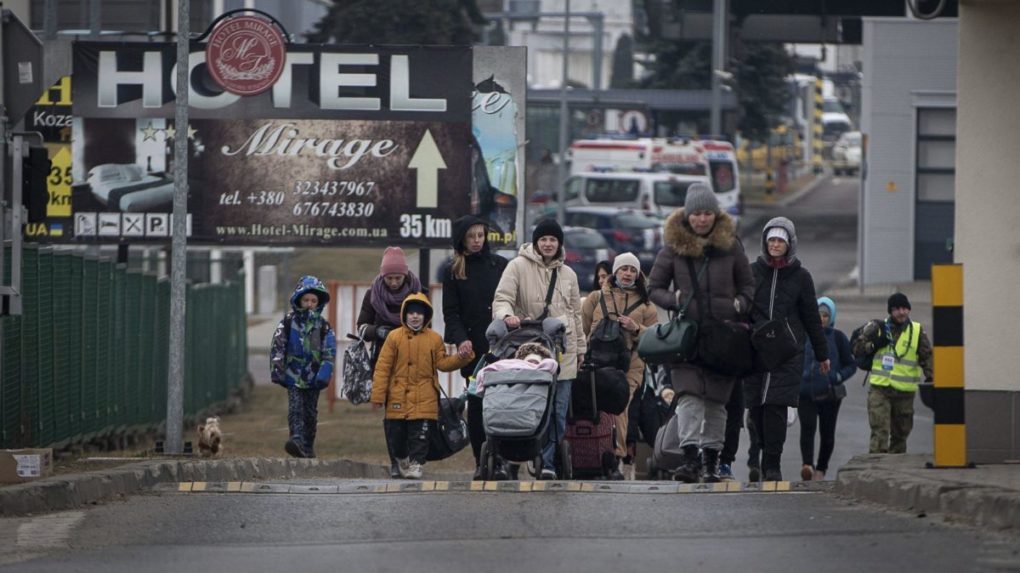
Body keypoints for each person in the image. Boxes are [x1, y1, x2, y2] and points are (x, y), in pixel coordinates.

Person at [647, 183, 755, 483]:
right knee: (690, 400)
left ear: (715, 214)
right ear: (687, 214)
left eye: (707, 213)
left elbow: (748, 286)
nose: (702, 219)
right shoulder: (673, 247)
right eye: (696, 213)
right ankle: (690, 460)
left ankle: (711, 463)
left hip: (724, 338)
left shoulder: (731, 246)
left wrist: (739, 304)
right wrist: (676, 300)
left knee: (716, 404)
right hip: (688, 338)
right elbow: (653, 287)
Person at [493, 218, 586, 480]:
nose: (548, 244)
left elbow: (576, 315)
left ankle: (548, 462)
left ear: (559, 244)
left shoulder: (569, 275)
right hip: (528, 350)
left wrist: (580, 349)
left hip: (562, 352)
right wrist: (507, 315)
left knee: (557, 411)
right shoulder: (517, 267)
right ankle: (517, 454)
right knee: (525, 406)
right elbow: (502, 299)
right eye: (543, 239)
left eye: (552, 240)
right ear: (536, 242)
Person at [745, 218, 830, 482]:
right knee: (756, 407)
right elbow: (742, 307)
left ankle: (773, 464)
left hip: (787, 351)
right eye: (771, 240)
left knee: (776, 407)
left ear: (789, 243)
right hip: (756, 349)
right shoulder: (752, 271)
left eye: (780, 240)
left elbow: (811, 318)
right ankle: (758, 452)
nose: (775, 245)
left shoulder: (801, 277)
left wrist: (822, 352)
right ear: (765, 242)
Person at [369, 293, 474, 479]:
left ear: (426, 316)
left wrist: (462, 358)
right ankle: (401, 459)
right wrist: (378, 395)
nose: (415, 317)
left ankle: (416, 464)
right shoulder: (394, 338)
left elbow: (443, 364)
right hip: (397, 396)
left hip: (425, 397)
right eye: (411, 313)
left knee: (421, 435)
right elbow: (383, 368)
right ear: (405, 315)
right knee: (397, 435)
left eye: (419, 313)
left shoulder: (434, 339)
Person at [580, 252, 659, 480]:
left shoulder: (647, 306)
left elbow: (654, 342)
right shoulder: (596, 298)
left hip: (630, 365)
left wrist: (636, 328)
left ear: (638, 275)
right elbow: (583, 329)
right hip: (596, 361)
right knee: (592, 407)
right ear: (616, 272)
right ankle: (590, 455)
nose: (627, 273)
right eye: (624, 269)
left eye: (633, 270)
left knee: (619, 407)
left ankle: (616, 457)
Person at [441, 215, 508, 479]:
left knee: (502, 403)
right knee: (477, 405)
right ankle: (482, 461)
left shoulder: (500, 265)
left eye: (481, 235)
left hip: (500, 347)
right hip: (473, 351)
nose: (477, 241)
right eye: (472, 237)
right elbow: (451, 313)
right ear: (462, 240)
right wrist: (460, 340)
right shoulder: (454, 271)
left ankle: (502, 460)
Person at [357, 246, 424, 478]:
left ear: (405, 275)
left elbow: (427, 323)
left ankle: (413, 459)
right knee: (393, 416)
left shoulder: (417, 293)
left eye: (398, 277)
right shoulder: (372, 295)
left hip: (414, 361)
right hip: (384, 362)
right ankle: (396, 461)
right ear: (382, 276)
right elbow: (361, 328)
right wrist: (379, 331)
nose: (394, 282)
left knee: (415, 414)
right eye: (389, 278)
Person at [270, 276, 337, 459]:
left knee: (310, 413)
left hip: (313, 378)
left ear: (319, 303)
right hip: (293, 376)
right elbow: (278, 346)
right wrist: (278, 369)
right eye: (306, 300)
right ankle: (296, 438)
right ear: (299, 300)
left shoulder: (323, 326)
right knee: (295, 408)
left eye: (313, 301)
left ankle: (308, 445)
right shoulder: (288, 322)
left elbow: (329, 352)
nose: (309, 304)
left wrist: (324, 373)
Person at [857, 293, 933, 454]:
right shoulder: (877, 327)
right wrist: (874, 344)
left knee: (900, 438)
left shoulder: (917, 331)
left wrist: (932, 376)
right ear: (890, 311)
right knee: (880, 433)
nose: (902, 312)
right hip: (880, 389)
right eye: (897, 309)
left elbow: (927, 357)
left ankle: (894, 471)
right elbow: (857, 348)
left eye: (905, 308)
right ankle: (876, 471)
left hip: (905, 393)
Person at [798, 297, 856, 481]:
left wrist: (838, 376)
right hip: (805, 393)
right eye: (818, 314)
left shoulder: (838, 337)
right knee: (807, 429)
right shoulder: (803, 336)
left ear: (831, 317)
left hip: (830, 396)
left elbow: (851, 364)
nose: (821, 318)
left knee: (827, 433)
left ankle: (821, 469)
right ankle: (807, 465)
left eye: (825, 315)